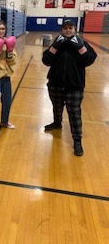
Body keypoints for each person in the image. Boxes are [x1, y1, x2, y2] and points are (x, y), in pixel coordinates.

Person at [42, 19, 97, 156]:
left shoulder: (81, 43)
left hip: (74, 86)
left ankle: (77, 141)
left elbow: (89, 59)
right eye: (65, 28)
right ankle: (57, 123)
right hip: (55, 83)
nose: (68, 30)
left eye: (70, 28)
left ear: (74, 29)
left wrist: (80, 48)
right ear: (62, 30)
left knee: (74, 113)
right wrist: (55, 47)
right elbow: (46, 60)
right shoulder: (57, 42)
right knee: (57, 106)